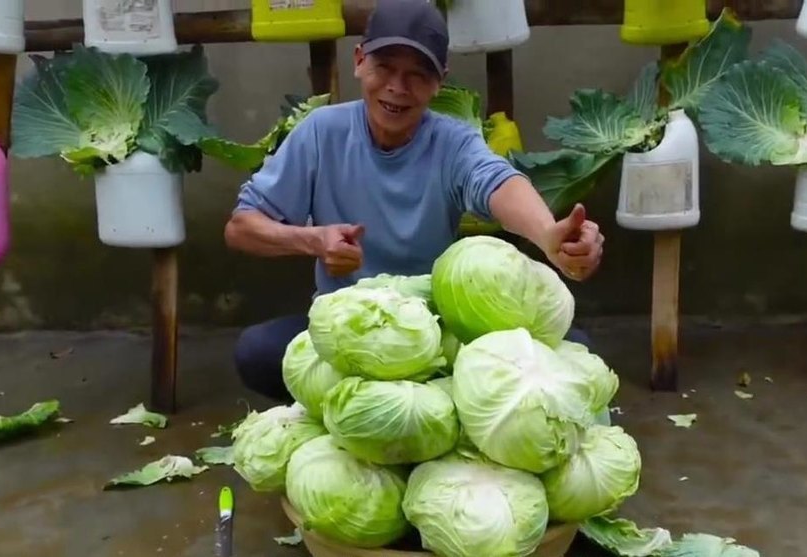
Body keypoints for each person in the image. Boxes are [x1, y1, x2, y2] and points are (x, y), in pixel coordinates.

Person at [224, 0, 605, 402]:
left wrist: (548, 236)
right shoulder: (321, 132)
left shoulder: (452, 141)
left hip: (434, 334)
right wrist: (313, 241)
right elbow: (241, 227)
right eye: (384, 68)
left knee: (576, 350)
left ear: (440, 81)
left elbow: (495, 181)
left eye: (417, 75)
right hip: (351, 331)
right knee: (257, 351)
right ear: (359, 61)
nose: (397, 88)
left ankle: (389, 405)